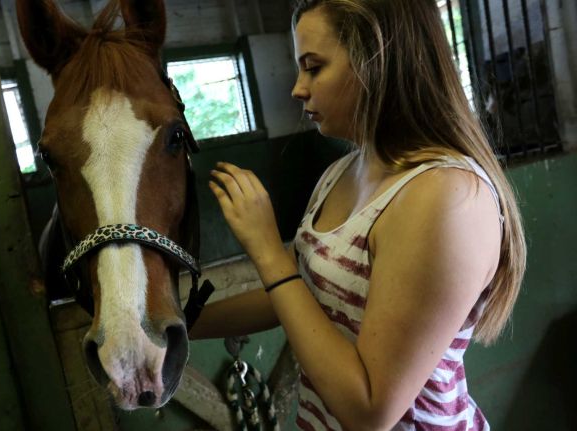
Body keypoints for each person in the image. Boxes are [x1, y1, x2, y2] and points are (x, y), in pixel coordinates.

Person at [189, 0, 527, 429]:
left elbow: (370, 411)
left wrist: (266, 248)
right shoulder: (342, 172)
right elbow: (300, 295)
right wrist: (181, 325)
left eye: (313, 67)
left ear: (378, 60)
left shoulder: (446, 195)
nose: (298, 88)